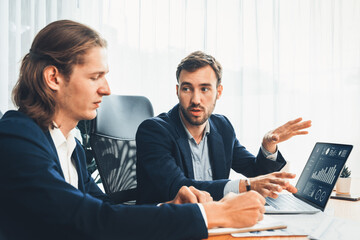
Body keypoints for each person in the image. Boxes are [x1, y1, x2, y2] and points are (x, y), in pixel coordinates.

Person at [0, 20, 268, 240]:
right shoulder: (17, 138)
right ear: (54, 78)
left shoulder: (71, 147)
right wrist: (212, 214)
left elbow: (106, 208)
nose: (106, 89)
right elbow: (89, 220)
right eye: (95, 77)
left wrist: (167, 209)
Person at [136, 51, 311, 204]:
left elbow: (256, 173)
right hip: (168, 225)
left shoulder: (222, 127)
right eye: (187, 88)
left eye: (204, 89)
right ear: (177, 91)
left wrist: (268, 146)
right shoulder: (153, 131)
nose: (196, 99)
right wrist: (246, 185)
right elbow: (177, 187)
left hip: (216, 221)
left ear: (218, 92)